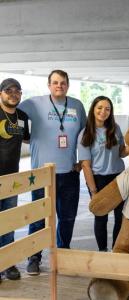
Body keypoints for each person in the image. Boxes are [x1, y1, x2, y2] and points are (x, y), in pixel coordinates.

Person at [18, 70, 87, 275]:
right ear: (49, 85)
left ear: (68, 85)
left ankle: (62, 254)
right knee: (38, 219)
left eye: (63, 82)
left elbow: (85, 135)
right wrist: (23, 136)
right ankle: (34, 258)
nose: (59, 86)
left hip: (68, 172)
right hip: (41, 174)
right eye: (55, 82)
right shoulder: (33, 103)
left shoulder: (77, 106)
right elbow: (11, 113)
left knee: (67, 218)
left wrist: (82, 161)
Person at [78, 96, 127, 251]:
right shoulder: (85, 133)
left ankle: (116, 249)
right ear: (93, 109)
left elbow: (121, 152)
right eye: (100, 107)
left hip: (118, 177)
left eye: (107, 109)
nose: (103, 112)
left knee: (121, 216)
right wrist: (93, 191)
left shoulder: (115, 128)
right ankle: (103, 251)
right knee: (101, 218)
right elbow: (86, 166)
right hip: (98, 179)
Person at [0, 78, 30, 281]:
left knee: (9, 221)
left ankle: (9, 263)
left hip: (12, 178)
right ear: (1, 93)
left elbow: (28, 138)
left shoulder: (22, 116)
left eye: (17, 91)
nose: (13, 94)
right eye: (8, 90)